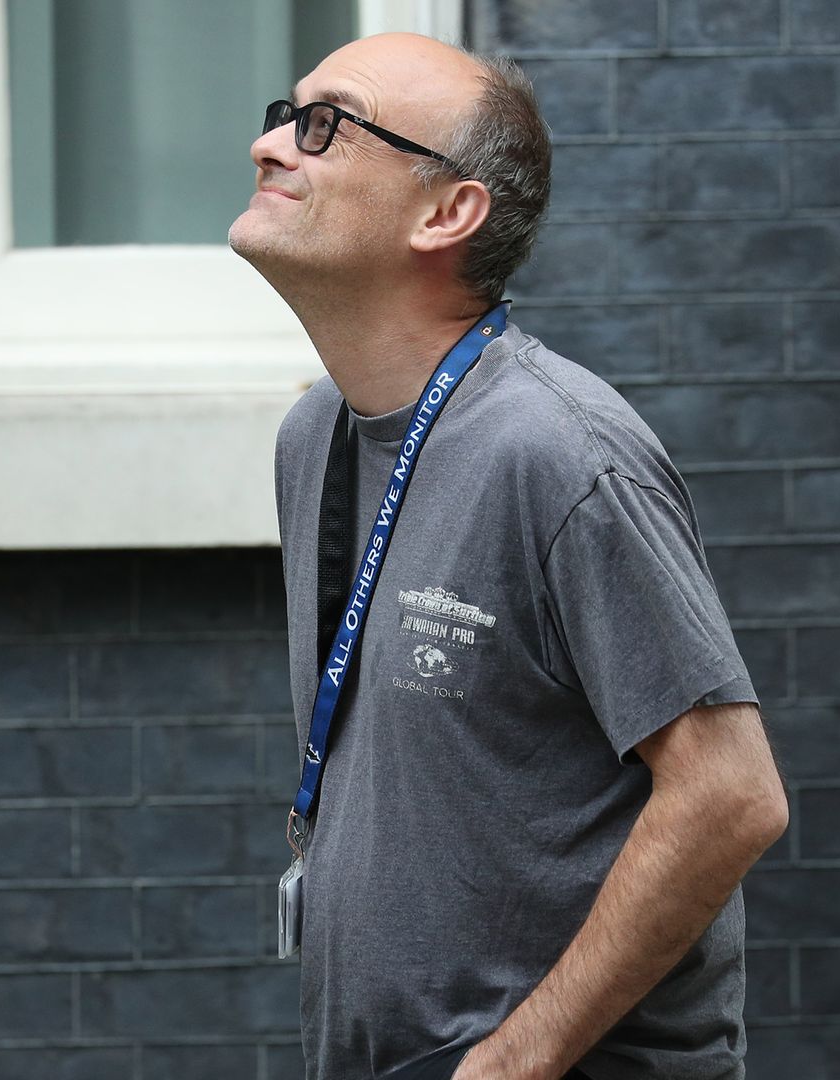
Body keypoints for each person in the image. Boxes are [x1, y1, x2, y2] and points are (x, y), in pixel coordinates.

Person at [229, 33, 791, 1080]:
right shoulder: (317, 436)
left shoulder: (561, 450)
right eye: (281, 113)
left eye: (325, 125)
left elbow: (732, 795)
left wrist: (512, 1063)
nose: (271, 147)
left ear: (446, 214)